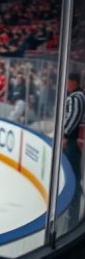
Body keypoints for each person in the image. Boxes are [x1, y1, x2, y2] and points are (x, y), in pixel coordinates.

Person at [63, 72, 85, 230]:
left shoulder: (76, 98)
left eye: (68, 82)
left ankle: (73, 215)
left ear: (73, 82)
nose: (66, 85)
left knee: (73, 175)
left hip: (72, 141)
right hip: (72, 140)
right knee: (73, 174)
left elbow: (73, 117)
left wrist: (64, 134)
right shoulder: (77, 96)